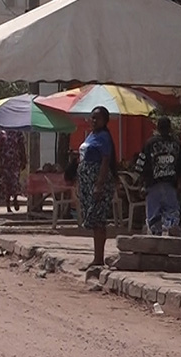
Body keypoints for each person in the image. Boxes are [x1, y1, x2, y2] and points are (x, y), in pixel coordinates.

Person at [77, 106, 119, 270]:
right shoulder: (91, 135)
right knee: (93, 219)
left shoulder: (104, 137)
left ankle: (98, 258)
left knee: (98, 219)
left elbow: (105, 161)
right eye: (92, 117)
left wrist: (99, 185)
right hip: (87, 182)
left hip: (97, 183)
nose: (93, 121)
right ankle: (96, 258)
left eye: (97, 118)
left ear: (104, 120)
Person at [134, 117, 181, 236]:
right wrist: (180, 184)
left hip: (153, 185)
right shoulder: (177, 144)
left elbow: (142, 164)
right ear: (170, 128)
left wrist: (141, 185)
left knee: (153, 215)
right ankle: (171, 228)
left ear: (157, 128)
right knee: (171, 211)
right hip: (170, 185)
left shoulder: (150, 143)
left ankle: (155, 235)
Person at [0, 130, 27, 212]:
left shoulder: (18, 132)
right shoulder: (1, 133)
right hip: (5, 162)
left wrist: (24, 160)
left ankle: (15, 198)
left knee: (15, 181)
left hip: (15, 161)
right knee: (6, 184)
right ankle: (8, 205)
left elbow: (22, 147)